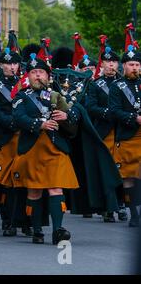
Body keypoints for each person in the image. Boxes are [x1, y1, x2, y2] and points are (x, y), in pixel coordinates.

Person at [11, 54, 80, 244]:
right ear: (28, 76)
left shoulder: (56, 96)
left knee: (56, 189)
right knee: (34, 191)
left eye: (41, 72)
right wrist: (39, 124)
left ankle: (58, 230)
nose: (38, 76)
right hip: (32, 148)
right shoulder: (21, 96)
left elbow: (72, 124)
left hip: (55, 147)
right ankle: (37, 229)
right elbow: (18, 118)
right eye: (34, 72)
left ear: (48, 76)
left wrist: (65, 117)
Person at [0, 48, 32, 236]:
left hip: (24, 137)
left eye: (14, 64)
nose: (11, 67)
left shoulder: (26, 84)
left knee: (24, 181)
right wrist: (14, 122)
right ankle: (8, 220)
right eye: (7, 64)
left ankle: (26, 220)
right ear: (2, 66)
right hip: (5, 136)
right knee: (6, 182)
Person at [86, 47, 127, 222]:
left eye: (114, 62)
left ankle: (123, 203)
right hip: (104, 132)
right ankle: (110, 208)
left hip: (123, 131)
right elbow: (91, 107)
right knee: (108, 170)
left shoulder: (126, 84)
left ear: (118, 64)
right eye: (107, 62)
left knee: (122, 169)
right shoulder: (95, 84)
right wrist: (108, 113)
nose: (111, 64)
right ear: (101, 64)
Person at [109, 45, 141, 227]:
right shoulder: (116, 87)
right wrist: (134, 118)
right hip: (128, 136)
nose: (135, 68)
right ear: (124, 67)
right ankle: (134, 214)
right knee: (128, 178)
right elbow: (114, 111)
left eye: (137, 64)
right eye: (131, 64)